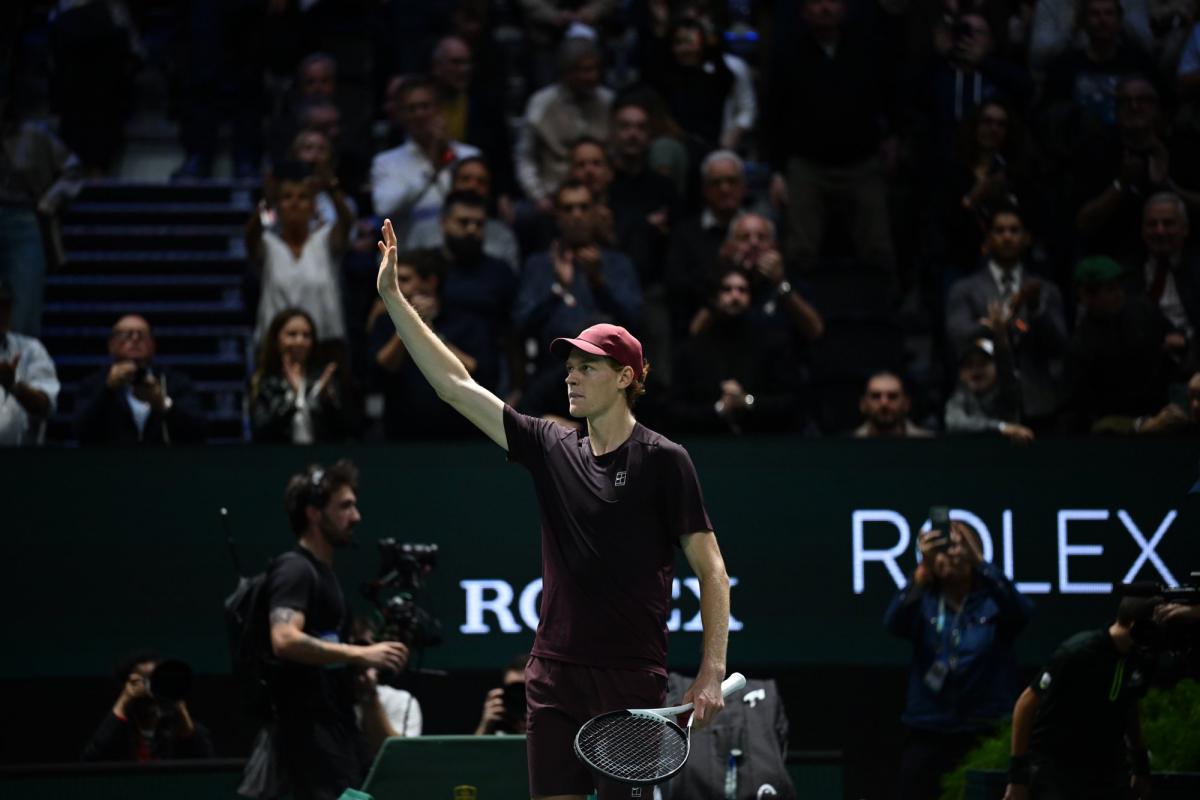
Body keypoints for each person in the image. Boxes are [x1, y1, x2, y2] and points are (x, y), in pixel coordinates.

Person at [375, 217, 732, 800]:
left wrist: (711, 669)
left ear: (625, 378)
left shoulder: (666, 461)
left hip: (629, 678)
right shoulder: (549, 444)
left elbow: (712, 569)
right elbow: (455, 386)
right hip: (554, 675)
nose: (571, 375)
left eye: (587, 366)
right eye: (569, 365)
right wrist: (394, 299)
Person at [263, 461, 409, 800]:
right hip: (306, 749)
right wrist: (363, 653)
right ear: (314, 513)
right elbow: (283, 639)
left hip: (334, 738)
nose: (356, 516)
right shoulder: (296, 569)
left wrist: (355, 670)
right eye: (345, 506)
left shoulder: (324, 575)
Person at [885, 521, 1034, 800]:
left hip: (984, 727)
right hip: (930, 727)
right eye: (941, 548)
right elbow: (894, 623)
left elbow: (1023, 614)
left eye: (958, 545)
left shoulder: (994, 598)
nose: (951, 553)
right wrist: (921, 572)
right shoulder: (924, 599)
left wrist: (980, 563)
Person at [1002, 598, 1160, 800]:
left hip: (1106, 771)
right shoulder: (1077, 653)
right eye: (1158, 625)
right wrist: (1017, 778)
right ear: (1136, 624)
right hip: (1056, 771)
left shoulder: (1143, 659)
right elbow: (1026, 705)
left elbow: (1129, 706)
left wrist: (1140, 766)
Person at [513, 180, 642, 419]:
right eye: (568, 209)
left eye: (583, 208)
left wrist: (598, 283)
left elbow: (634, 320)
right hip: (553, 379)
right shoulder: (539, 265)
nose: (577, 215)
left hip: (608, 379)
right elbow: (521, 324)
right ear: (557, 216)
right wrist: (557, 289)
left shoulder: (617, 264)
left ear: (595, 212)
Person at [946, 206, 1069, 427]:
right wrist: (992, 326)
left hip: (1038, 401)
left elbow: (1059, 346)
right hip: (985, 402)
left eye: (1014, 230)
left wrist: (1034, 310)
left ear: (1027, 238)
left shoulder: (1046, 290)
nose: (1007, 237)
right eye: (999, 231)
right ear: (988, 238)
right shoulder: (965, 289)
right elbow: (958, 336)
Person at [669, 267, 802, 434]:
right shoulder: (692, 350)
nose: (735, 296)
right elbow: (675, 411)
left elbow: (791, 403)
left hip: (762, 444)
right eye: (727, 289)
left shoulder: (772, 345)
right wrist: (718, 409)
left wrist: (747, 401)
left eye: (742, 290)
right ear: (714, 298)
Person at [247, 163, 354, 351]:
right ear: (277, 207)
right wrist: (267, 200)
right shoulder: (268, 244)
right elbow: (250, 234)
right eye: (287, 197)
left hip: (324, 342)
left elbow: (346, 222)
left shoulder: (325, 241)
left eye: (303, 197)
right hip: (275, 347)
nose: (295, 203)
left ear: (313, 207)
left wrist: (331, 188)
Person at [370, 75, 481, 245]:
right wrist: (432, 169)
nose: (419, 114)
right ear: (400, 114)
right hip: (409, 255)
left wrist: (446, 153)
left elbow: (477, 203)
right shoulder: (386, 162)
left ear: (438, 109)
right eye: (411, 108)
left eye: (425, 106)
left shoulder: (468, 155)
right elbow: (384, 208)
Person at [515, 37, 614, 216]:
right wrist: (538, 196)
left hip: (602, 197)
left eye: (594, 69)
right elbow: (525, 157)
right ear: (566, 72)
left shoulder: (608, 102)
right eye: (584, 70)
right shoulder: (541, 104)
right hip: (551, 195)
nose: (592, 76)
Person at [73, 315, 206, 445]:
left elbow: (199, 433)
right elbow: (81, 433)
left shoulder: (174, 381)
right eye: (126, 334)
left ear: (153, 345)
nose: (135, 338)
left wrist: (162, 403)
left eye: (142, 335)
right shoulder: (93, 383)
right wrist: (108, 389)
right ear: (111, 345)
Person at [82, 651, 214, 762]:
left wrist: (179, 705)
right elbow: (90, 759)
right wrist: (123, 700)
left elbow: (206, 762)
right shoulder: (116, 725)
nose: (150, 686)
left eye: (154, 679)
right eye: (143, 679)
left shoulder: (173, 726)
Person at [405, 156, 520, 271]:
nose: (472, 186)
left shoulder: (503, 236)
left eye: (481, 182)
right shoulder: (422, 232)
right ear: (452, 184)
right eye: (465, 179)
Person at [250, 308, 345, 444]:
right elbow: (262, 429)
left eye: (306, 335)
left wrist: (326, 400)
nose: (299, 341)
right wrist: (296, 396)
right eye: (292, 334)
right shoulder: (265, 381)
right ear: (277, 339)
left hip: (320, 460)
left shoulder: (324, 379)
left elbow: (341, 431)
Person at [944, 310, 1035, 442]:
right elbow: (954, 423)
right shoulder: (960, 396)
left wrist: (1001, 337)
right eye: (969, 365)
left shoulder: (1007, 391)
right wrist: (1002, 428)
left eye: (983, 364)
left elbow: (1005, 367)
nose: (976, 370)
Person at [0, 278, 58, 446]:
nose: (2, 313)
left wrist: (14, 387)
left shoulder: (31, 349)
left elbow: (46, 407)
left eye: (5, 306)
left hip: (24, 463)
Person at [855, 372, 934, 437]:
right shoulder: (848, 445)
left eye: (893, 396)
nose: (884, 403)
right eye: (876, 396)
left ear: (906, 404)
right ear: (863, 404)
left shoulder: (930, 444)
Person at [474, 653, 530, 736]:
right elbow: (474, 749)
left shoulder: (551, 722)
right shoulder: (499, 722)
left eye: (527, 690)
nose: (520, 697)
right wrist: (485, 725)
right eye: (514, 690)